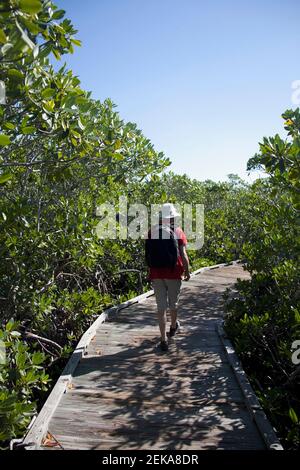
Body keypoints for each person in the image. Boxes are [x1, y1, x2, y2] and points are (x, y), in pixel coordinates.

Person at [145, 203, 190, 351]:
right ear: (172, 218)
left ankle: (163, 339)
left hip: (156, 272)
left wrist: (149, 271)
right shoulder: (178, 231)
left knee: (161, 307)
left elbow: (148, 254)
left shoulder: (151, 231)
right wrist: (187, 271)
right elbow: (183, 255)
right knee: (173, 304)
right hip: (173, 271)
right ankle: (173, 327)